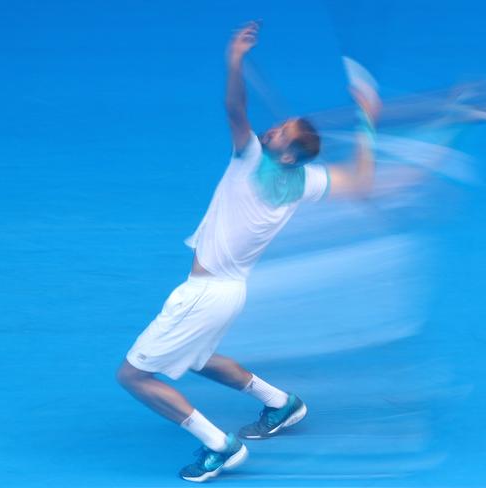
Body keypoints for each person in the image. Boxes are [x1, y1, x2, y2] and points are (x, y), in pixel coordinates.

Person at [116, 20, 382, 483]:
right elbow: (360, 182)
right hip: (232, 292)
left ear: (284, 155)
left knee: (134, 377)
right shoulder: (302, 182)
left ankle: (220, 445)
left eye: (280, 132)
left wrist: (234, 61)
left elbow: (233, 107)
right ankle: (282, 404)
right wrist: (368, 123)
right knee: (198, 360)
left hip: (204, 293)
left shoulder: (250, 160)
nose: (272, 130)